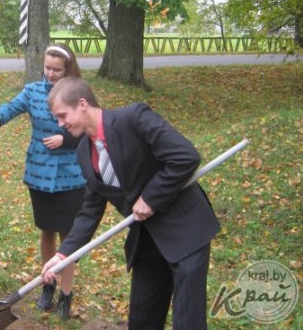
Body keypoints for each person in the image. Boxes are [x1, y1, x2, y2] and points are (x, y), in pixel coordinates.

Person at [41, 77, 220, 330]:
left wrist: (150, 197)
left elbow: (185, 156)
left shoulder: (133, 118)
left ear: (82, 104)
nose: (60, 124)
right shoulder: (83, 152)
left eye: (62, 115)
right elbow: (90, 210)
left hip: (185, 229)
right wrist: (63, 254)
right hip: (146, 239)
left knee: (187, 321)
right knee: (142, 320)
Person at [0, 44, 86, 320]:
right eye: (47, 67)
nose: (50, 73)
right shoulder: (33, 91)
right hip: (40, 174)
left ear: (68, 69)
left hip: (72, 175)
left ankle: (66, 296)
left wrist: (66, 139)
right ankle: (47, 286)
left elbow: (91, 130)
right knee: (47, 231)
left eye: (56, 69)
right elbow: (4, 113)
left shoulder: (79, 94)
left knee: (69, 237)